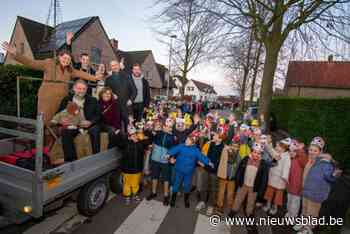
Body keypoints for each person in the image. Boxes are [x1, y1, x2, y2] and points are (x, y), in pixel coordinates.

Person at [1, 41, 101, 146]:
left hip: (62, 99)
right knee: (45, 121)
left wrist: (95, 77)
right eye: (64, 58)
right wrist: (16, 54)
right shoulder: (49, 63)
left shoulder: (70, 70)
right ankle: (41, 146)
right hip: (47, 98)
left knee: (58, 121)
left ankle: (54, 146)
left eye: (68, 59)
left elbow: (81, 73)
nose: (66, 61)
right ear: (59, 57)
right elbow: (31, 63)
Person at [294, 137, 341, 234]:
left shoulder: (325, 164)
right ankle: (303, 223)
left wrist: (334, 174)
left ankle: (308, 228)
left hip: (316, 194)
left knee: (312, 213)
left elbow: (330, 177)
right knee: (305, 209)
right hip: (306, 191)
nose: (312, 152)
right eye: (310, 150)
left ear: (321, 152)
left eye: (315, 151)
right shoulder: (310, 161)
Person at [57, 80, 101, 162]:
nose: (81, 91)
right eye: (79, 88)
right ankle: (71, 159)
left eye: (84, 89)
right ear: (74, 88)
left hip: (89, 124)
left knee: (95, 130)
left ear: (86, 89)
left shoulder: (93, 100)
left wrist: (90, 122)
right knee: (65, 132)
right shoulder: (67, 100)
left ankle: (96, 157)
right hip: (74, 125)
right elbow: (59, 115)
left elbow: (98, 115)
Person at [168, 132, 214, 208]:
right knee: (176, 184)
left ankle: (186, 199)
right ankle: (173, 199)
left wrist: (208, 162)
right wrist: (168, 154)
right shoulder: (181, 146)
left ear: (193, 143)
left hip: (188, 172)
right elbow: (174, 150)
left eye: (188, 140)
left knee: (187, 186)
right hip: (179, 169)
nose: (186, 141)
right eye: (186, 139)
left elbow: (201, 157)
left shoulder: (196, 150)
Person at [228, 143, 269, 219]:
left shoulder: (263, 164)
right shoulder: (246, 159)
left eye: (258, 153)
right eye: (255, 152)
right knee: (238, 198)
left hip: (254, 187)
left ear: (261, 154)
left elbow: (264, 178)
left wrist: (261, 190)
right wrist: (237, 180)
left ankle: (249, 213)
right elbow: (239, 170)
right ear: (251, 152)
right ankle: (233, 210)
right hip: (243, 184)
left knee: (251, 201)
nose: (256, 154)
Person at [114, 126, 153, 204]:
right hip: (126, 169)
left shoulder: (141, 143)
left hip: (137, 169)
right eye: (132, 135)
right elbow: (118, 143)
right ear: (128, 137)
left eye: (135, 134)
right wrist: (117, 135)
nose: (134, 136)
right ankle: (127, 197)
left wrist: (146, 133)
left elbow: (148, 142)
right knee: (126, 185)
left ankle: (135, 196)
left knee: (135, 184)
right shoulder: (125, 143)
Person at [146, 118, 176, 206]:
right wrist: (151, 128)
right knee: (154, 176)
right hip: (155, 159)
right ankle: (153, 192)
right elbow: (149, 136)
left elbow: (173, 149)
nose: (166, 128)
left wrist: (172, 157)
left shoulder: (172, 138)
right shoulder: (158, 133)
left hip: (165, 161)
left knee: (166, 178)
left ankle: (166, 196)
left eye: (169, 127)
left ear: (171, 128)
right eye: (165, 126)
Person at [105, 60, 137, 132]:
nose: (114, 67)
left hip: (127, 106)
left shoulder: (127, 76)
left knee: (129, 127)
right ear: (110, 67)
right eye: (112, 66)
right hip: (115, 106)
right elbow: (106, 92)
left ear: (119, 66)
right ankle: (118, 142)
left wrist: (131, 100)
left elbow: (134, 90)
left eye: (116, 65)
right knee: (117, 128)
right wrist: (112, 94)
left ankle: (129, 142)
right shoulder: (108, 79)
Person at [263, 138, 292, 215]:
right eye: (279, 146)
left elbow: (287, 168)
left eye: (282, 148)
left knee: (278, 195)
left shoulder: (287, 157)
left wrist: (285, 177)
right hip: (272, 176)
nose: (279, 148)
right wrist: (267, 143)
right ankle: (268, 204)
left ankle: (274, 207)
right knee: (269, 192)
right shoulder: (276, 153)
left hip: (280, 180)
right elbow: (270, 150)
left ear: (286, 149)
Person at [285, 139, 308, 218]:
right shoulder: (290, 159)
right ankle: (289, 213)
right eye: (290, 151)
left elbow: (304, 159)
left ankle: (293, 216)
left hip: (297, 186)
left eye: (294, 151)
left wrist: (299, 150)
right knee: (289, 201)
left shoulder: (301, 159)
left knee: (295, 202)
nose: (292, 153)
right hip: (290, 184)